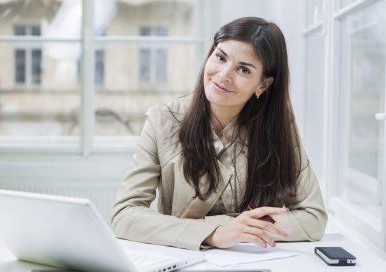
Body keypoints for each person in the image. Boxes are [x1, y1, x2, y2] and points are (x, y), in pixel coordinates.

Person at [111, 17, 327, 251]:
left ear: (262, 85)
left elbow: (313, 218)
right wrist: (214, 233)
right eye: (220, 57)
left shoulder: (279, 128)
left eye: (243, 69)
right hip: (183, 260)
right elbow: (124, 215)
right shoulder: (162, 120)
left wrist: (236, 230)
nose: (223, 74)